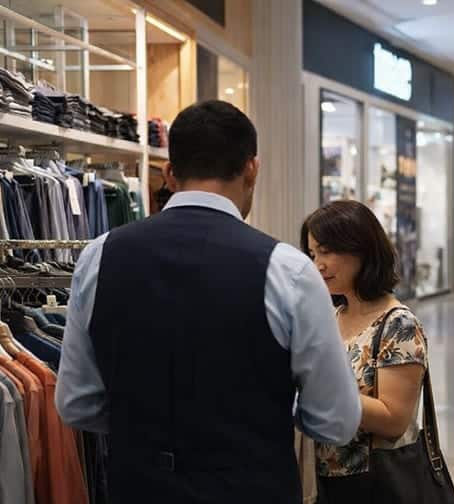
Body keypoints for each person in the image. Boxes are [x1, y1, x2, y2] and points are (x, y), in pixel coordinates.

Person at [55, 100, 361, 504]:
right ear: (252, 168)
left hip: (138, 486)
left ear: (168, 172)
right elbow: (336, 421)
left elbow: (76, 404)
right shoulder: (288, 270)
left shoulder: (99, 257)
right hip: (254, 487)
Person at [301, 200, 430, 502]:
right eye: (312, 253)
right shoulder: (333, 316)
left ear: (361, 248)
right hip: (325, 480)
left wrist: (318, 392)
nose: (318, 264)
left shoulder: (398, 324)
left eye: (327, 251)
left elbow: (394, 420)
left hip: (374, 484)